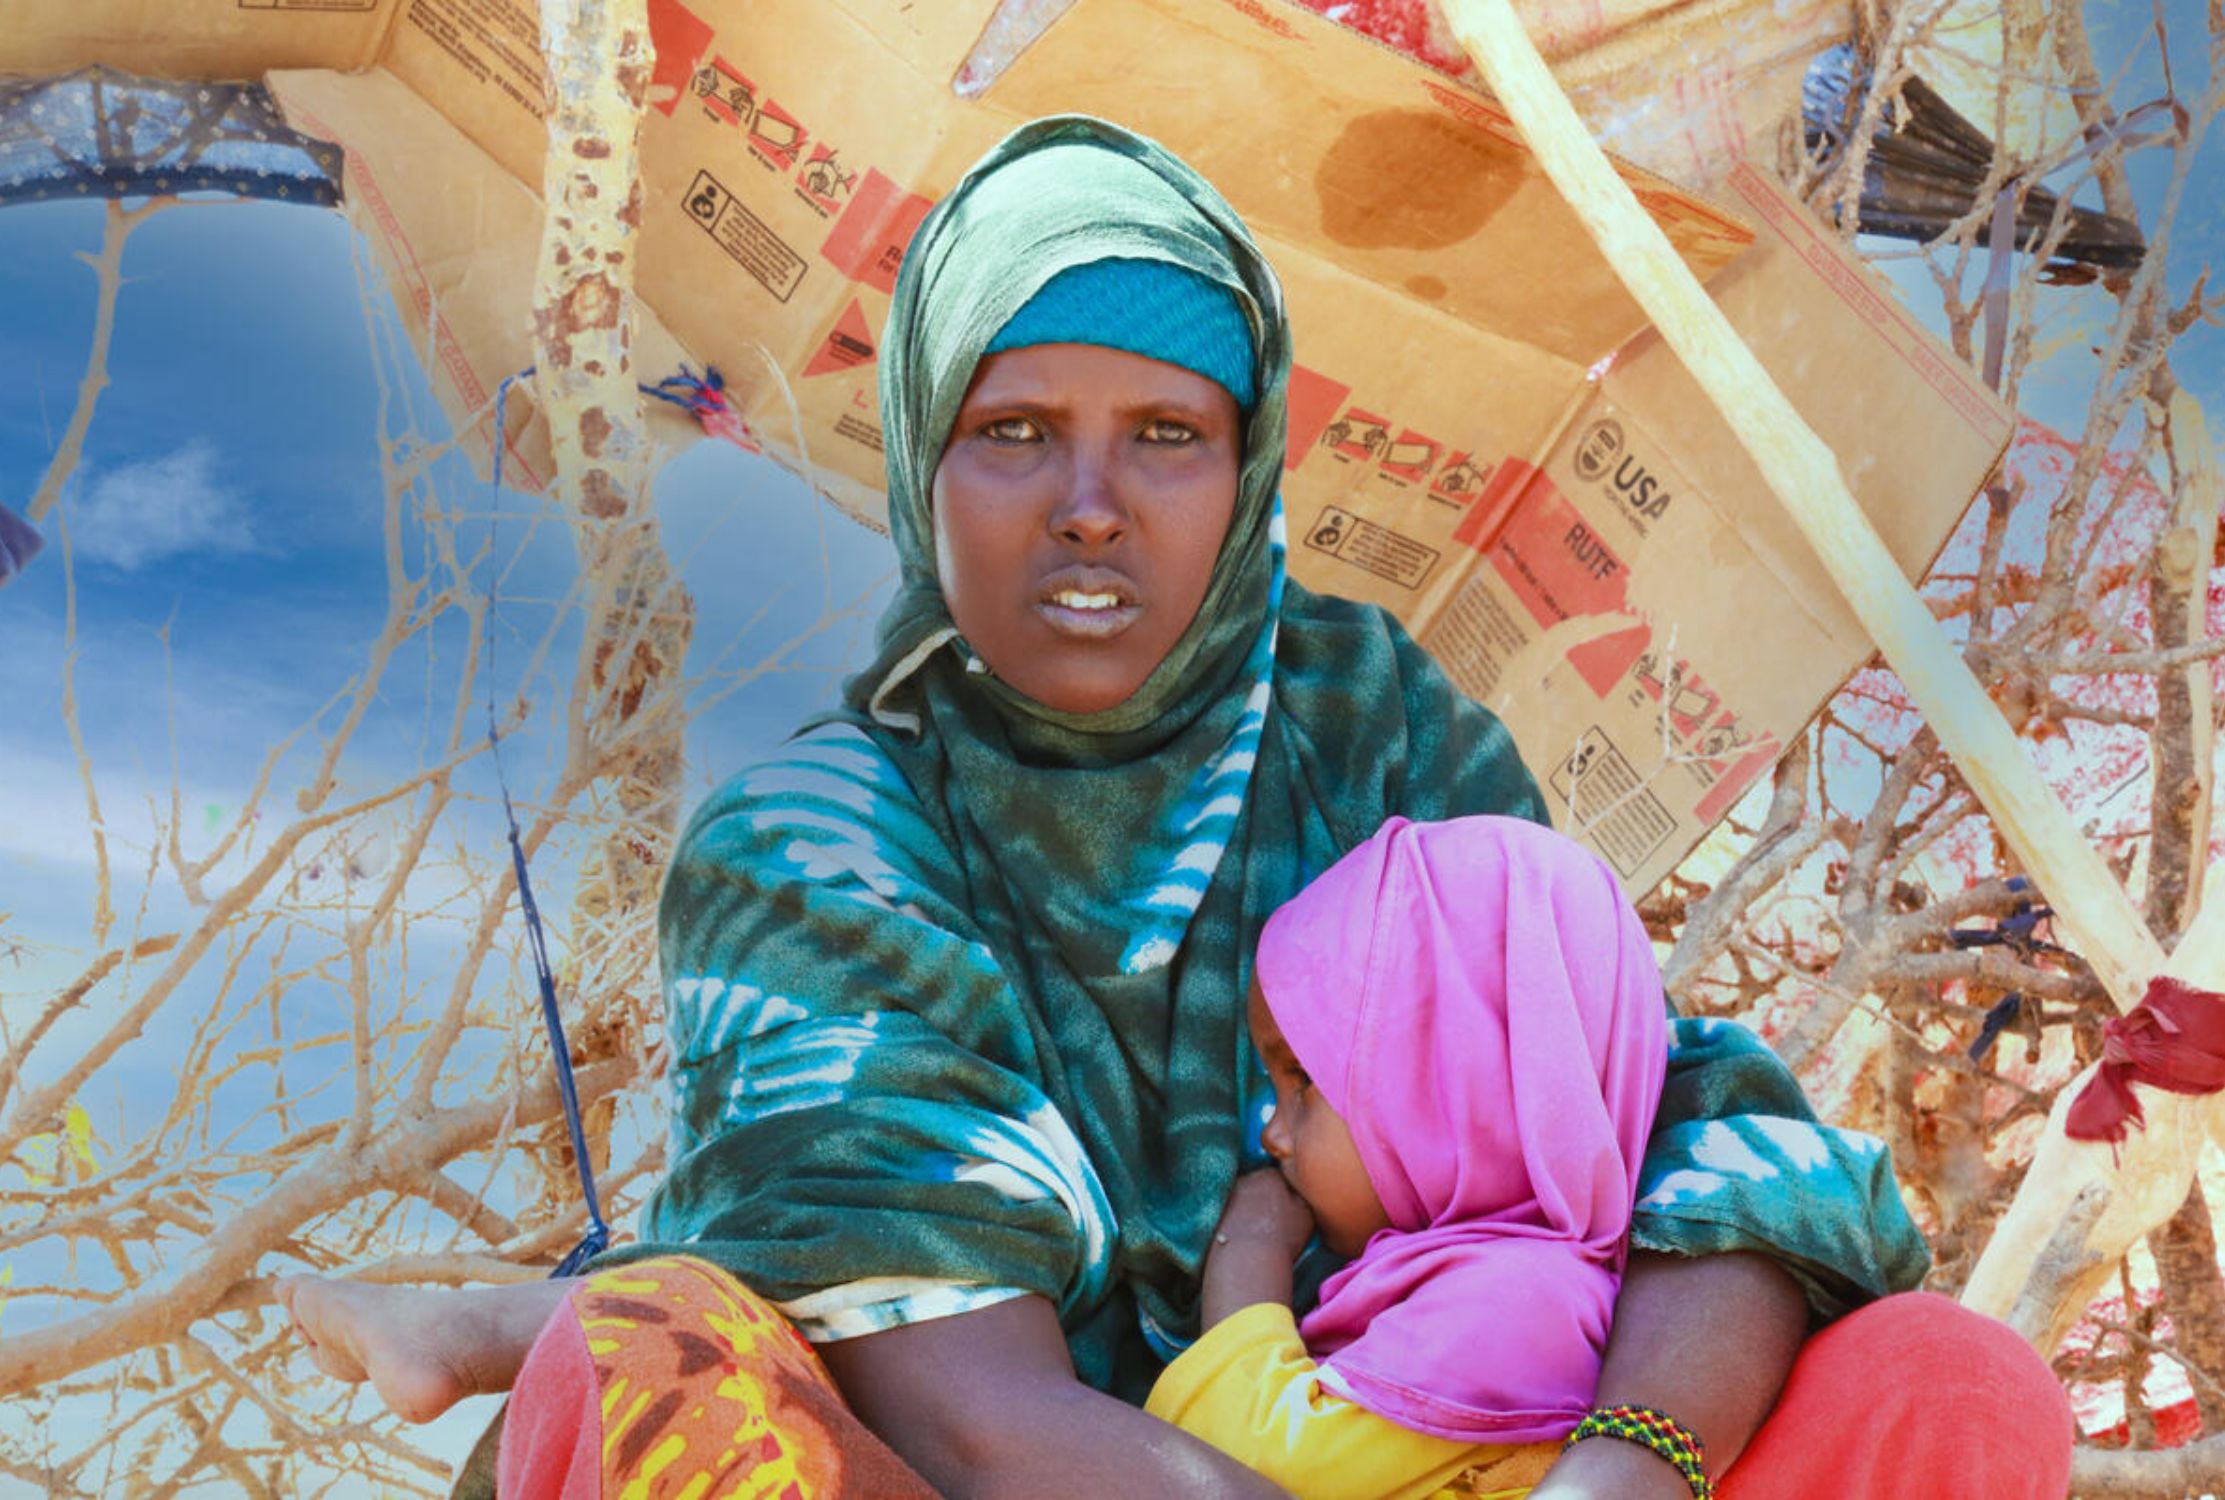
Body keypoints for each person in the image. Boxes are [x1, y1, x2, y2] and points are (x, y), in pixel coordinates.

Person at [280, 115, 2071, 1500]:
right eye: (1013, 432)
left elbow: (1679, 1142)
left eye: (1165, 435)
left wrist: (1623, 1467)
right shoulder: (818, 847)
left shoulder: (1378, 737)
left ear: (1250, 466)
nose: (1087, 505)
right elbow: (975, 1421)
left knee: (1944, 1382)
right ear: (922, 461)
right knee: (642, 1354)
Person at [1151, 814, 1669, 1498]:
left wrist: (1247, 1256)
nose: (1272, 1134)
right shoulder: (1456, 1277)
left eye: (1302, 1082)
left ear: (1454, 1088)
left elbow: (1242, 1466)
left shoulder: (1523, 1302)